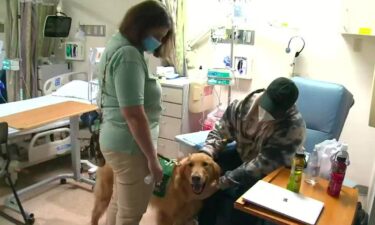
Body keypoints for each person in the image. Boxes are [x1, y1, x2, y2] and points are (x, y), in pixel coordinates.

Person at [97, 1, 174, 225]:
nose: (158, 42)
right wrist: (153, 160)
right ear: (141, 26)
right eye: (157, 35)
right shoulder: (128, 55)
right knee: (131, 214)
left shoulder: (117, 43)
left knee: (119, 203)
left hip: (118, 140)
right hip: (130, 147)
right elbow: (133, 114)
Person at [198, 77, 306, 225]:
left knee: (245, 196)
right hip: (245, 155)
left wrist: (220, 184)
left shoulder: (293, 128)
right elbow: (220, 132)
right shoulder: (242, 106)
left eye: (274, 111)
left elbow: (260, 167)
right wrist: (205, 154)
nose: (267, 113)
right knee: (209, 171)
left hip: (273, 171)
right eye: (268, 106)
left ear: (287, 109)